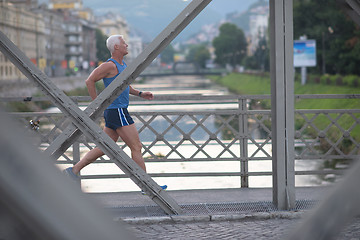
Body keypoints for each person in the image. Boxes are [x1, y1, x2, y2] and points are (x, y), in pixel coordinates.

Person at [63, 35, 167, 192]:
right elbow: (89, 81)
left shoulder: (122, 64)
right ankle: (148, 186)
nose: (126, 44)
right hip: (117, 111)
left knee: (104, 146)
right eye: (123, 43)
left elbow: (124, 86)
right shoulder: (109, 65)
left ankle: (74, 170)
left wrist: (140, 93)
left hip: (115, 112)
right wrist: (96, 104)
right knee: (136, 146)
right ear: (116, 47)